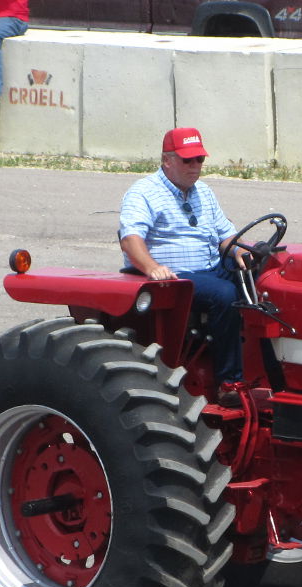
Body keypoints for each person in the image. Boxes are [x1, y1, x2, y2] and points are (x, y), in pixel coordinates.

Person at [119, 128, 246, 404]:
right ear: (167, 161)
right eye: (188, 160)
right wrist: (152, 267)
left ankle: (273, 368)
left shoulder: (204, 192)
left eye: (199, 159)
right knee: (224, 294)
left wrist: (240, 250)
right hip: (176, 276)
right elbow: (130, 240)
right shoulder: (144, 193)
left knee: (264, 278)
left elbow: (225, 235)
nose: (195, 166)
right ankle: (229, 382)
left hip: (209, 266)